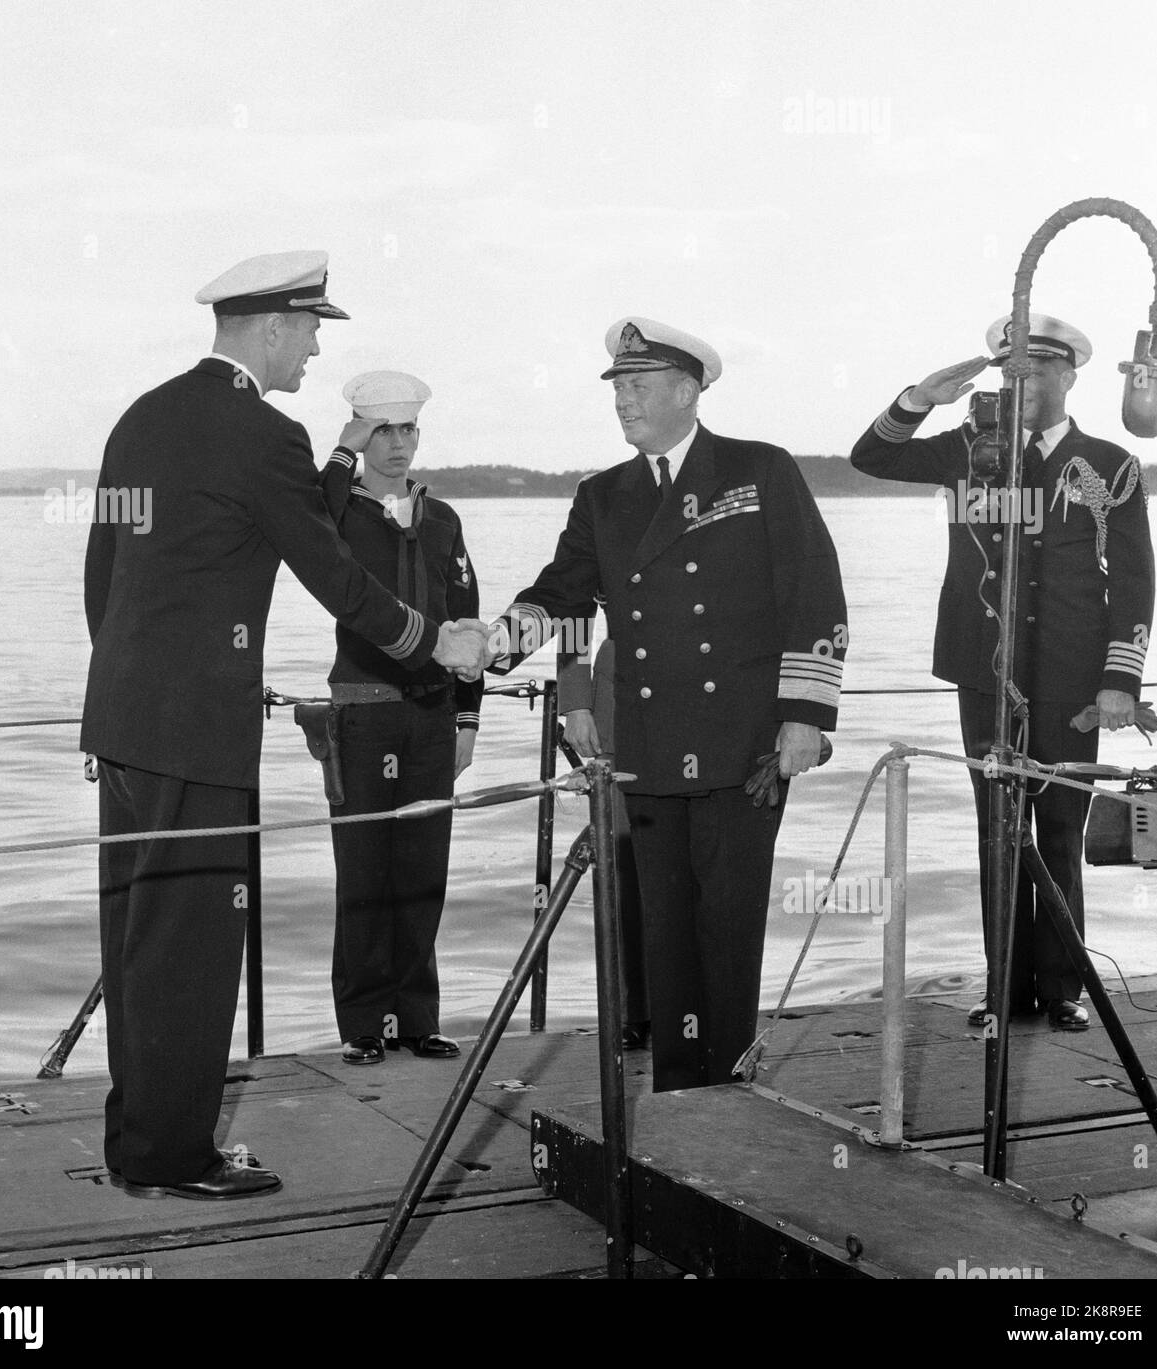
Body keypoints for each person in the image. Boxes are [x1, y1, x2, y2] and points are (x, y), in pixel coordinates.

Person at [81, 253, 488, 1201]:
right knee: (190, 946)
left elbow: (104, 566)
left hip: (127, 718)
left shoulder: (142, 416)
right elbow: (333, 571)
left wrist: (129, 690)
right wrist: (435, 646)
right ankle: (178, 1157)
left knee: (137, 939)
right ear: (268, 327)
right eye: (310, 328)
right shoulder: (261, 430)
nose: (313, 347)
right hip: (200, 733)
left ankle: (137, 1141)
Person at [480, 316, 848, 1091]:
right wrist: (493, 644)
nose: (623, 401)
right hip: (646, 746)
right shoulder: (602, 496)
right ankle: (681, 1095)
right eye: (618, 387)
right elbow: (566, 597)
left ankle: (729, 1087)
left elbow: (814, 593)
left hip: (742, 742)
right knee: (666, 931)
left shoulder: (760, 470)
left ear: (687, 391)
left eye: (639, 386)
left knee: (729, 923)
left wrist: (806, 716)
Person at [850, 312, 1156, 1033]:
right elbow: (871, 458)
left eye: (1041, 369)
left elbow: (1135, 578)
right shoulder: (968, 449)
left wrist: (1122, 678)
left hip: (1074, 676)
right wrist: (919, 398)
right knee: (997, 828)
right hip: (985, 673)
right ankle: (1005, 987)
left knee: (1058, 827)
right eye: (1012, 369)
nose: (1025, 381)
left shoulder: (1109, 464)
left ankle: (1063, 986)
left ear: (1069, 376)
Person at [317, 371, 483, 1065]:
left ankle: (416, 1017)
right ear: (361, 433)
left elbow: (468, 622)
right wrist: (341, 452)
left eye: (406, 430)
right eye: (381, 430)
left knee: (422, 871)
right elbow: (301, 511)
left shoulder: (443, 520)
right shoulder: (338, 516)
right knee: (363, 874)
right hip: (363, 716)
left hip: (430, 719)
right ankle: (362, 1026)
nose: (397, 444)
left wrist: (467, 722)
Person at [556, 637, 651, 1048]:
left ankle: (687, 1011)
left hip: (704, 699)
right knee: (623, 880)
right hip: (619, 702)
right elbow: (573, 612)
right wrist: (576, 705)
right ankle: (633, 1013)